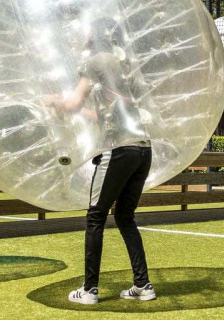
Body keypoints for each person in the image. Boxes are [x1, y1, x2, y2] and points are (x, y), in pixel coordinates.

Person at [55, 19, 156, 305]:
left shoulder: (95, 61)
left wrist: (53, 102)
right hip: (143, 148)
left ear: (94, 36)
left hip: (119, 150)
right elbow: (103, 114)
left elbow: (74, 102)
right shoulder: (123, 65)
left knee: (95, 216)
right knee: (125, 217)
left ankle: (89, 290)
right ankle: (143, 285)